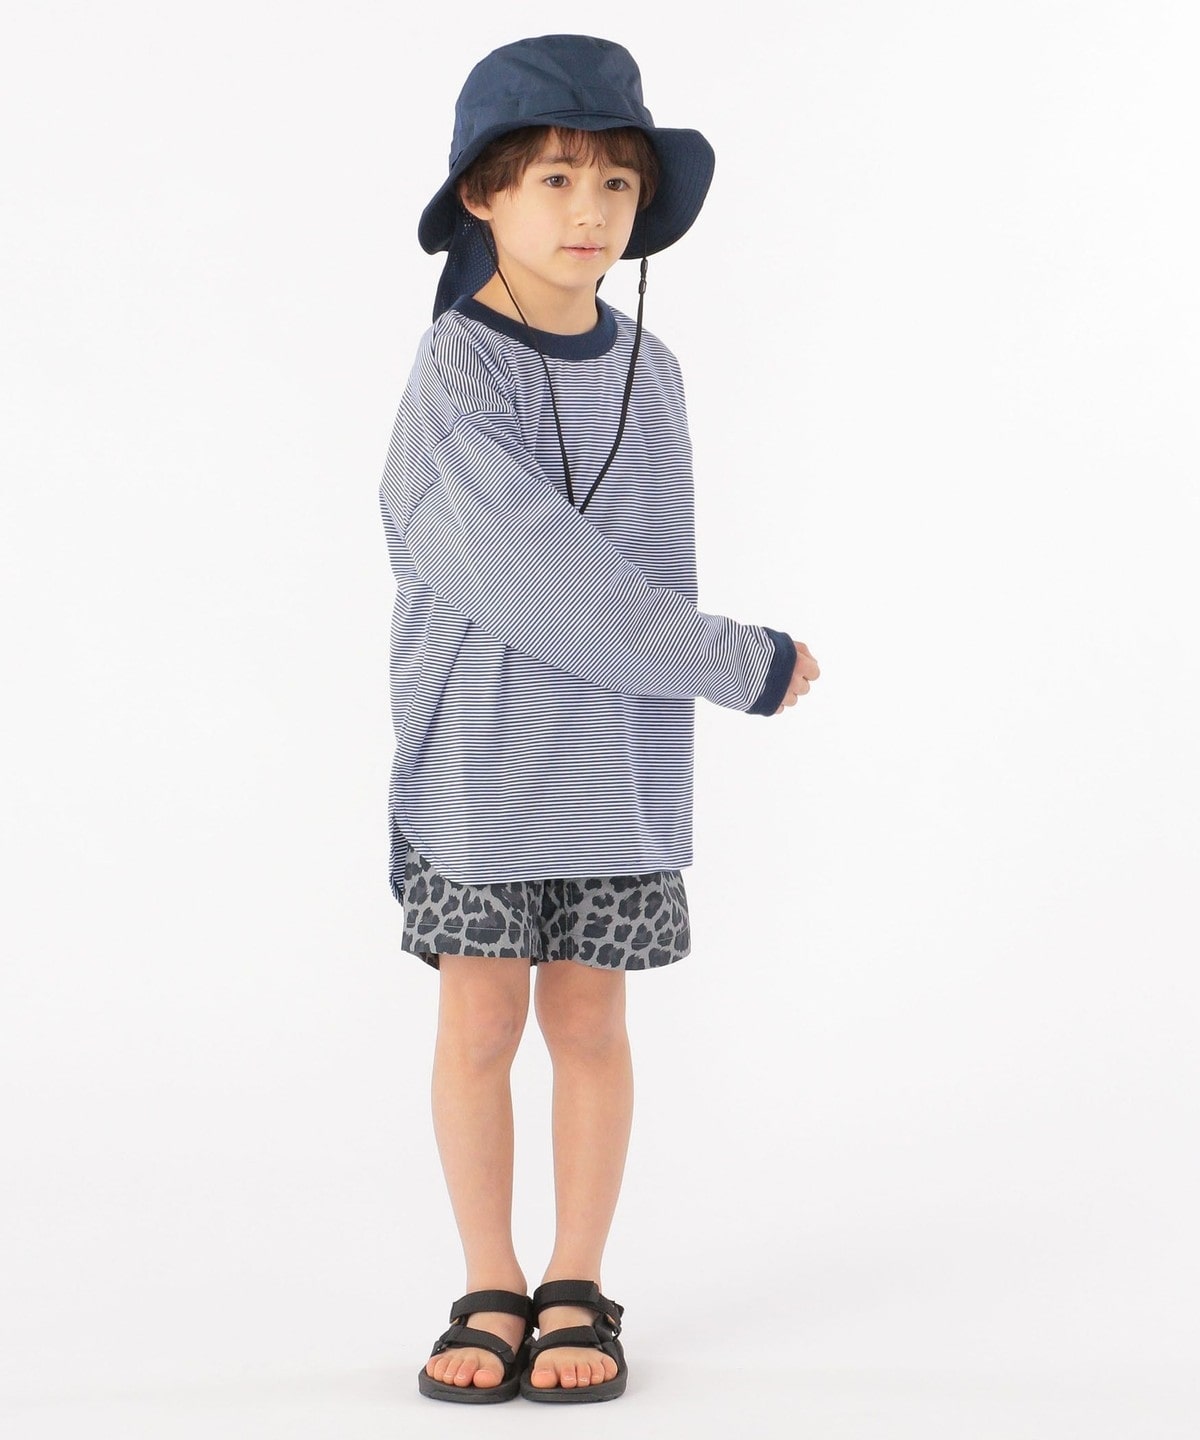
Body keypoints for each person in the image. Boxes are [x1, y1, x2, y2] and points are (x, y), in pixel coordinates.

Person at [377, 34, 820, 1405]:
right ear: (483, 198)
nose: (590, 211)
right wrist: (735, 659)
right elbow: (539, 576)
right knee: (480, 1026)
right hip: (481, 768)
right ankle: (489, 1279)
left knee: (589, 1024)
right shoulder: (457, 374)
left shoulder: (654, 367)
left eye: (617, 183)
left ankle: (576, 1278)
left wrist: (678, 671)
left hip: (615, 768)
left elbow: (647, 561)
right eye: (555, 178)